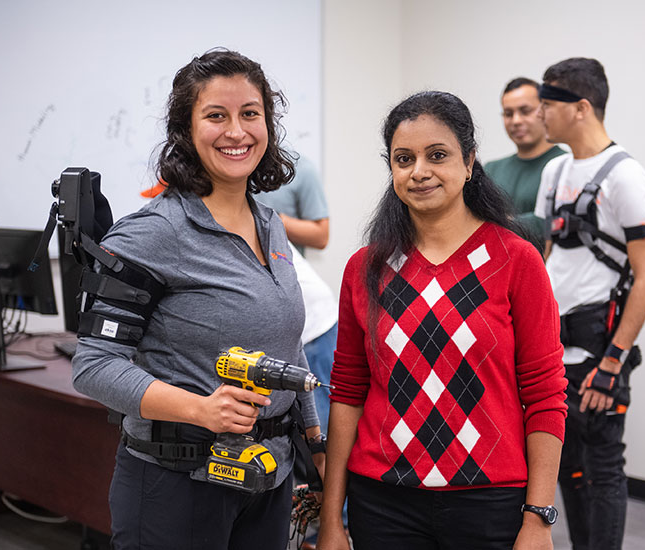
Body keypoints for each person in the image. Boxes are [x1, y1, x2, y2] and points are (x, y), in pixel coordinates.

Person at [71, 49, 324, 550]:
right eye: (216, 116)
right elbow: (93, 365)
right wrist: (199, 410)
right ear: (185, 130)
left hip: (264, 480)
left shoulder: (270, 224)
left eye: (250, 114)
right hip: (176, 486)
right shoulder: (152, 233)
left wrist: (315, 442)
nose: (237, 131)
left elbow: (284, 346)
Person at [318, 91, 567, 550]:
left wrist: (539, 518)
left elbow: (546, 394)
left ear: (469, 161)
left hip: (491, 502)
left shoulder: (516, 260)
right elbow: (348, 393)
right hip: (382, 502)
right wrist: (332, 518)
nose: (420, 171)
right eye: (404, 158)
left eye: (438, 155)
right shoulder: (365, 269)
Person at [533, 57, 645, 550]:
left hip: (598, 349)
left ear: (581, 108)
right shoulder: (554, 170)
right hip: (555, 348)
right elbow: (546, 257)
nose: (541, 113)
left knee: (603, 468)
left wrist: (613, 363)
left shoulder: (625, 177)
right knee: (569, 466)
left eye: (549, 104)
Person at [257, 156, 338, 433]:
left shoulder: (299, 170)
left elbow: (321, 235)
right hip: (287, 315)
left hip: (313, 322)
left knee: (320, 426)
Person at [484, 77, 565, 249]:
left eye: (525, 111)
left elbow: (556, 224)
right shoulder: (491, 170)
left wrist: (499, 223)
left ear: (543, 111)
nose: (516, 121)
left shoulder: (565, 166)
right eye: (508, 114)